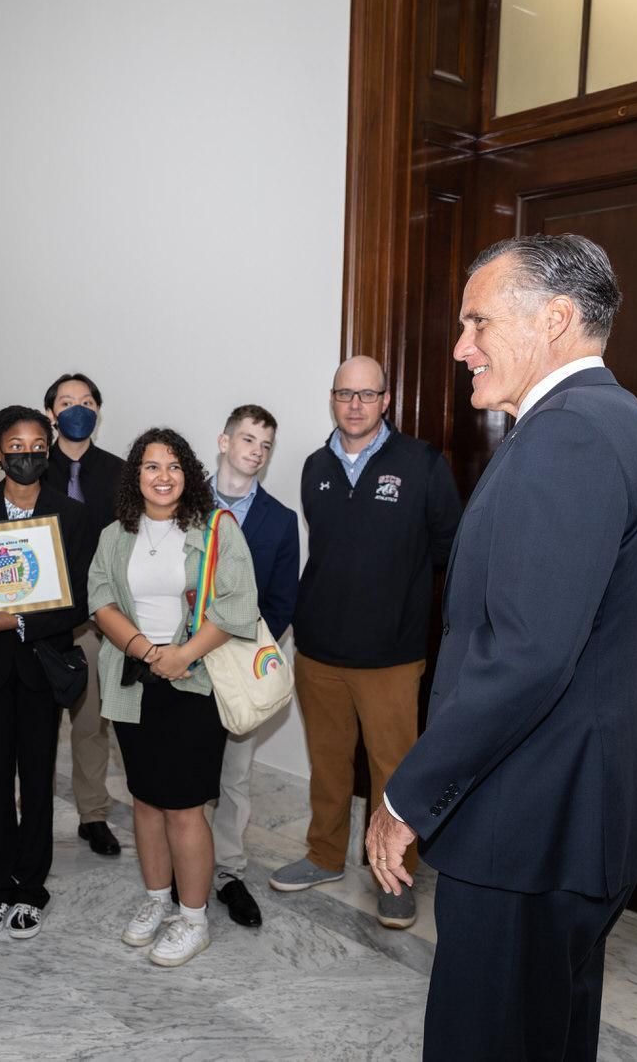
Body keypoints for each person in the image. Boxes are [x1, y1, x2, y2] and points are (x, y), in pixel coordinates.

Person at [368, 235, 637, 1060]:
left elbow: (528, 657)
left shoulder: (568, 437)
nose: (461, 346)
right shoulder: (616, 420)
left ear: (556, 318)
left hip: (530, 819)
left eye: (478, 321)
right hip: (573, 814)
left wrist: (407, 795)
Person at [268, 354, 461, 930]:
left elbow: (450, 550)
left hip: (391, 655)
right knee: (328, 767)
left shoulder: (423, 464)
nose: (354, 405)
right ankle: (324, 856)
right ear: (333, 398)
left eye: (367, 394)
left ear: (385, 401)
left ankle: (393, 875)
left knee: (394, 774)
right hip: (319, 648)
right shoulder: (314, 466)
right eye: (344, 394)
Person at [89, 427, 260, 968]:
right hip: (133, 678)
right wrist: (142, 648)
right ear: (135, 476)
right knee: (143, 798)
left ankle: (193, 918)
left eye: (173, 466)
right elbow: (100, 597)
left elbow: (237, 606)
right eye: (150, 466)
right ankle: (156, 900)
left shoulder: (216, 531)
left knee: (185, 806)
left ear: (189, 474)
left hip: (195, 682)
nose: (162, 476)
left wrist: (183, 654)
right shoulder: (116, 534)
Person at [0, 406, 93, 940]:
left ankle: (31, 889)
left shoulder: (71, 516)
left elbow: (77, 601)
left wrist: (17, 618)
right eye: (16, 445)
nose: (28, 454)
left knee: (36, 778)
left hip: (42, 667)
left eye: (38, 445)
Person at [204, 405, 299, 928]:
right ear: (223, 441)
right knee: (187, 772)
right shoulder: (181, 501)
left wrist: (239, 645)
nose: (255, 452)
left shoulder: (280, 521)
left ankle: (227, 872)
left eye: (265, 445)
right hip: (184, 662)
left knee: (234, 776)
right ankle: (184, 861)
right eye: (247, 440)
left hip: (239, 666)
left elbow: (284, 601)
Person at [41, 373, 125, 858]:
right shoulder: (30, 466)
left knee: (91, 722)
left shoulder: (118, 472)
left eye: (87, 401)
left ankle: (93, 815)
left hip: (96, 618)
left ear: (98, 410)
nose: (77, 408)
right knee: (35, 722)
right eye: (67, 401)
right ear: (51, 412)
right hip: (39, 620)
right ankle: (30, 810)